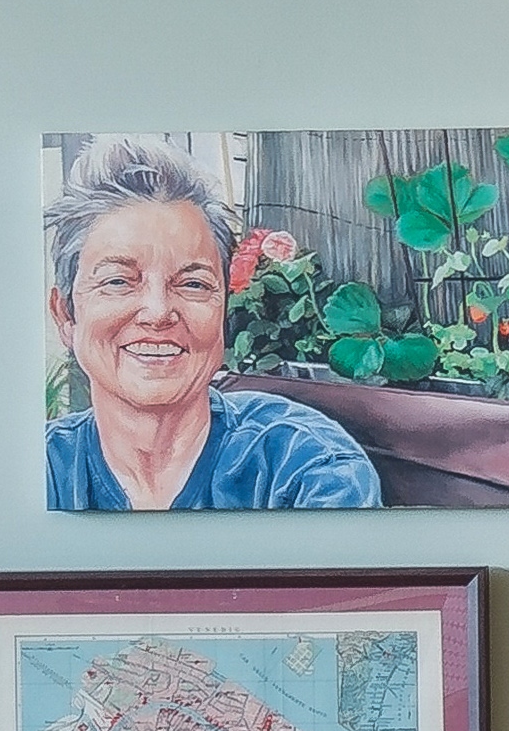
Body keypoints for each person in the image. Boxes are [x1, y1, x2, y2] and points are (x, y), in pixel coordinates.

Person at [41, 134, 381, 511]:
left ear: (224, 310)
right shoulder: (33, 473)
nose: (158, 312)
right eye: (118, 281)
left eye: (193, 284)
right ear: (65, 315)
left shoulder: (302, 466)